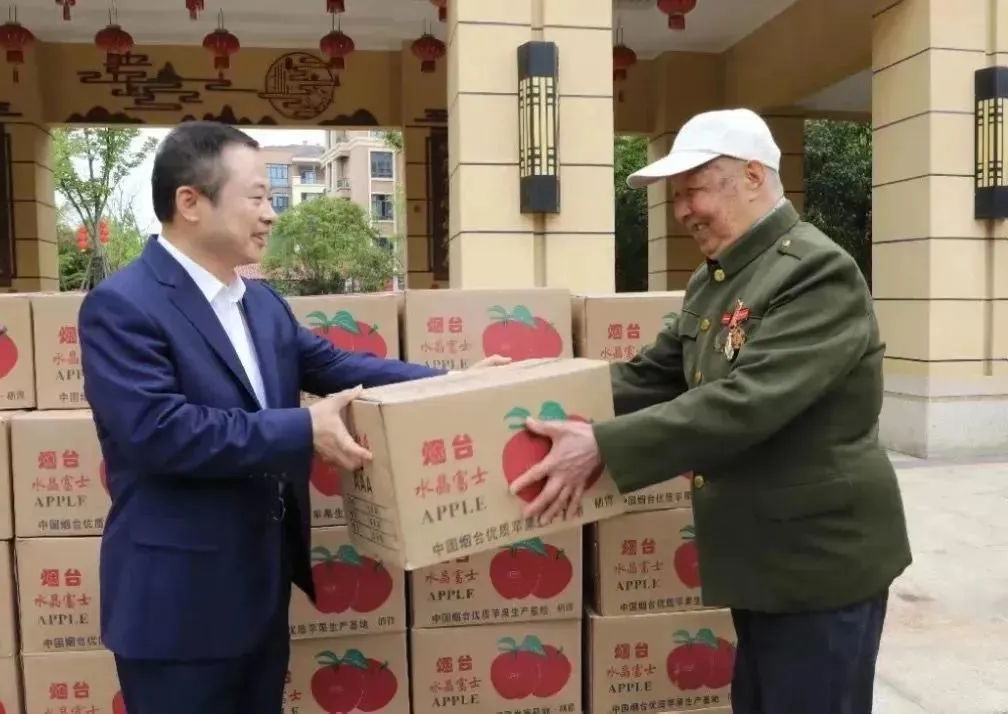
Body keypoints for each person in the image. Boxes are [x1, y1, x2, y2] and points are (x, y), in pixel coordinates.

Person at [78, 121, 506, 714]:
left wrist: (456, 383)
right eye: (256, 196)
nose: (270, 214)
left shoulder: (260, 302)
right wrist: (305, 429)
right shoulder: (123, 306)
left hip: (258, 592)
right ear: (190, 202)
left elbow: (336, 365)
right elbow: (159, 432)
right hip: (176, 607)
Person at [508, 108, 912, 713]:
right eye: (676, 196)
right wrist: (522, 395)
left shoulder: (817, 273)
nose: (682, 211)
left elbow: (746, 403)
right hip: (762, 559)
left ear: (752, 176)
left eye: (693, 190)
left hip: (820, 562)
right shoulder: (716, 280)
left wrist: (602, 447)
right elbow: (650, 376)